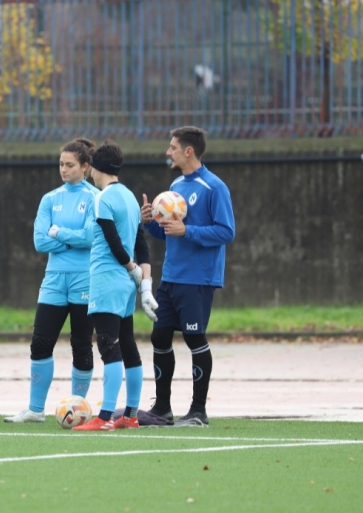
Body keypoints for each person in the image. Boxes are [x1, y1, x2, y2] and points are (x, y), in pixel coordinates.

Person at [140, 126, 235, 427]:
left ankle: (198, 411)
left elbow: (226, 231)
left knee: (194, 336)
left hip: (198, 278)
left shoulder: (214, 187)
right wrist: (150, 222)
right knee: (159, 335)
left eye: (172, 147)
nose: (168, 152)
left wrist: (188, 230)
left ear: (188, 151)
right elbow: (168, 231)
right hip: (172, 276)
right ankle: (162, 409)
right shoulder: (176, 184)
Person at [5, 139, 99, 423]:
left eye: (70, 165)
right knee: (40, 342)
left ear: (84, 167)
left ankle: (77, 408)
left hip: (84, 279)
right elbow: (39, 241)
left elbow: (91, 238)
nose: (63, 169)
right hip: (54, 279)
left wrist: (59, 234)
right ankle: (35, 410)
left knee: (81, 344)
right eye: (61, 164)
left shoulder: (94, 197)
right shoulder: (50, 199)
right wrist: (69, 240)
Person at [74, 140, 159, 431]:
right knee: (129, 345)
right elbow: (139, 243)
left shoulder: (102, 198)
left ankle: (105, 416)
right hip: (124, 285)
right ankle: (130, 415)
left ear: (97, 168)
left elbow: (112, 243)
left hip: (107, 280)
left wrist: (133, 269)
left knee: (108, 346)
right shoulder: (131, 197)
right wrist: (143, 283)